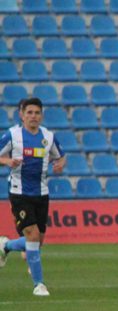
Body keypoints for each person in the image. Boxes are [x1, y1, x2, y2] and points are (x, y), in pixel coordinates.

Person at [0, 97, 66, 297]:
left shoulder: (48, 137)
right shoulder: (13, 135)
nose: (33, 116)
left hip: (42, 193)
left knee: (37, 240)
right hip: (19, 192)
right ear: (22, 114)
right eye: (29, 112)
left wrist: (60, 164)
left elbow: (60, 156)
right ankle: (39, 284)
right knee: (32, 235)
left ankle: (5, 245)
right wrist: (7, 161)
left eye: (37, 113)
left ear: (41, 115)